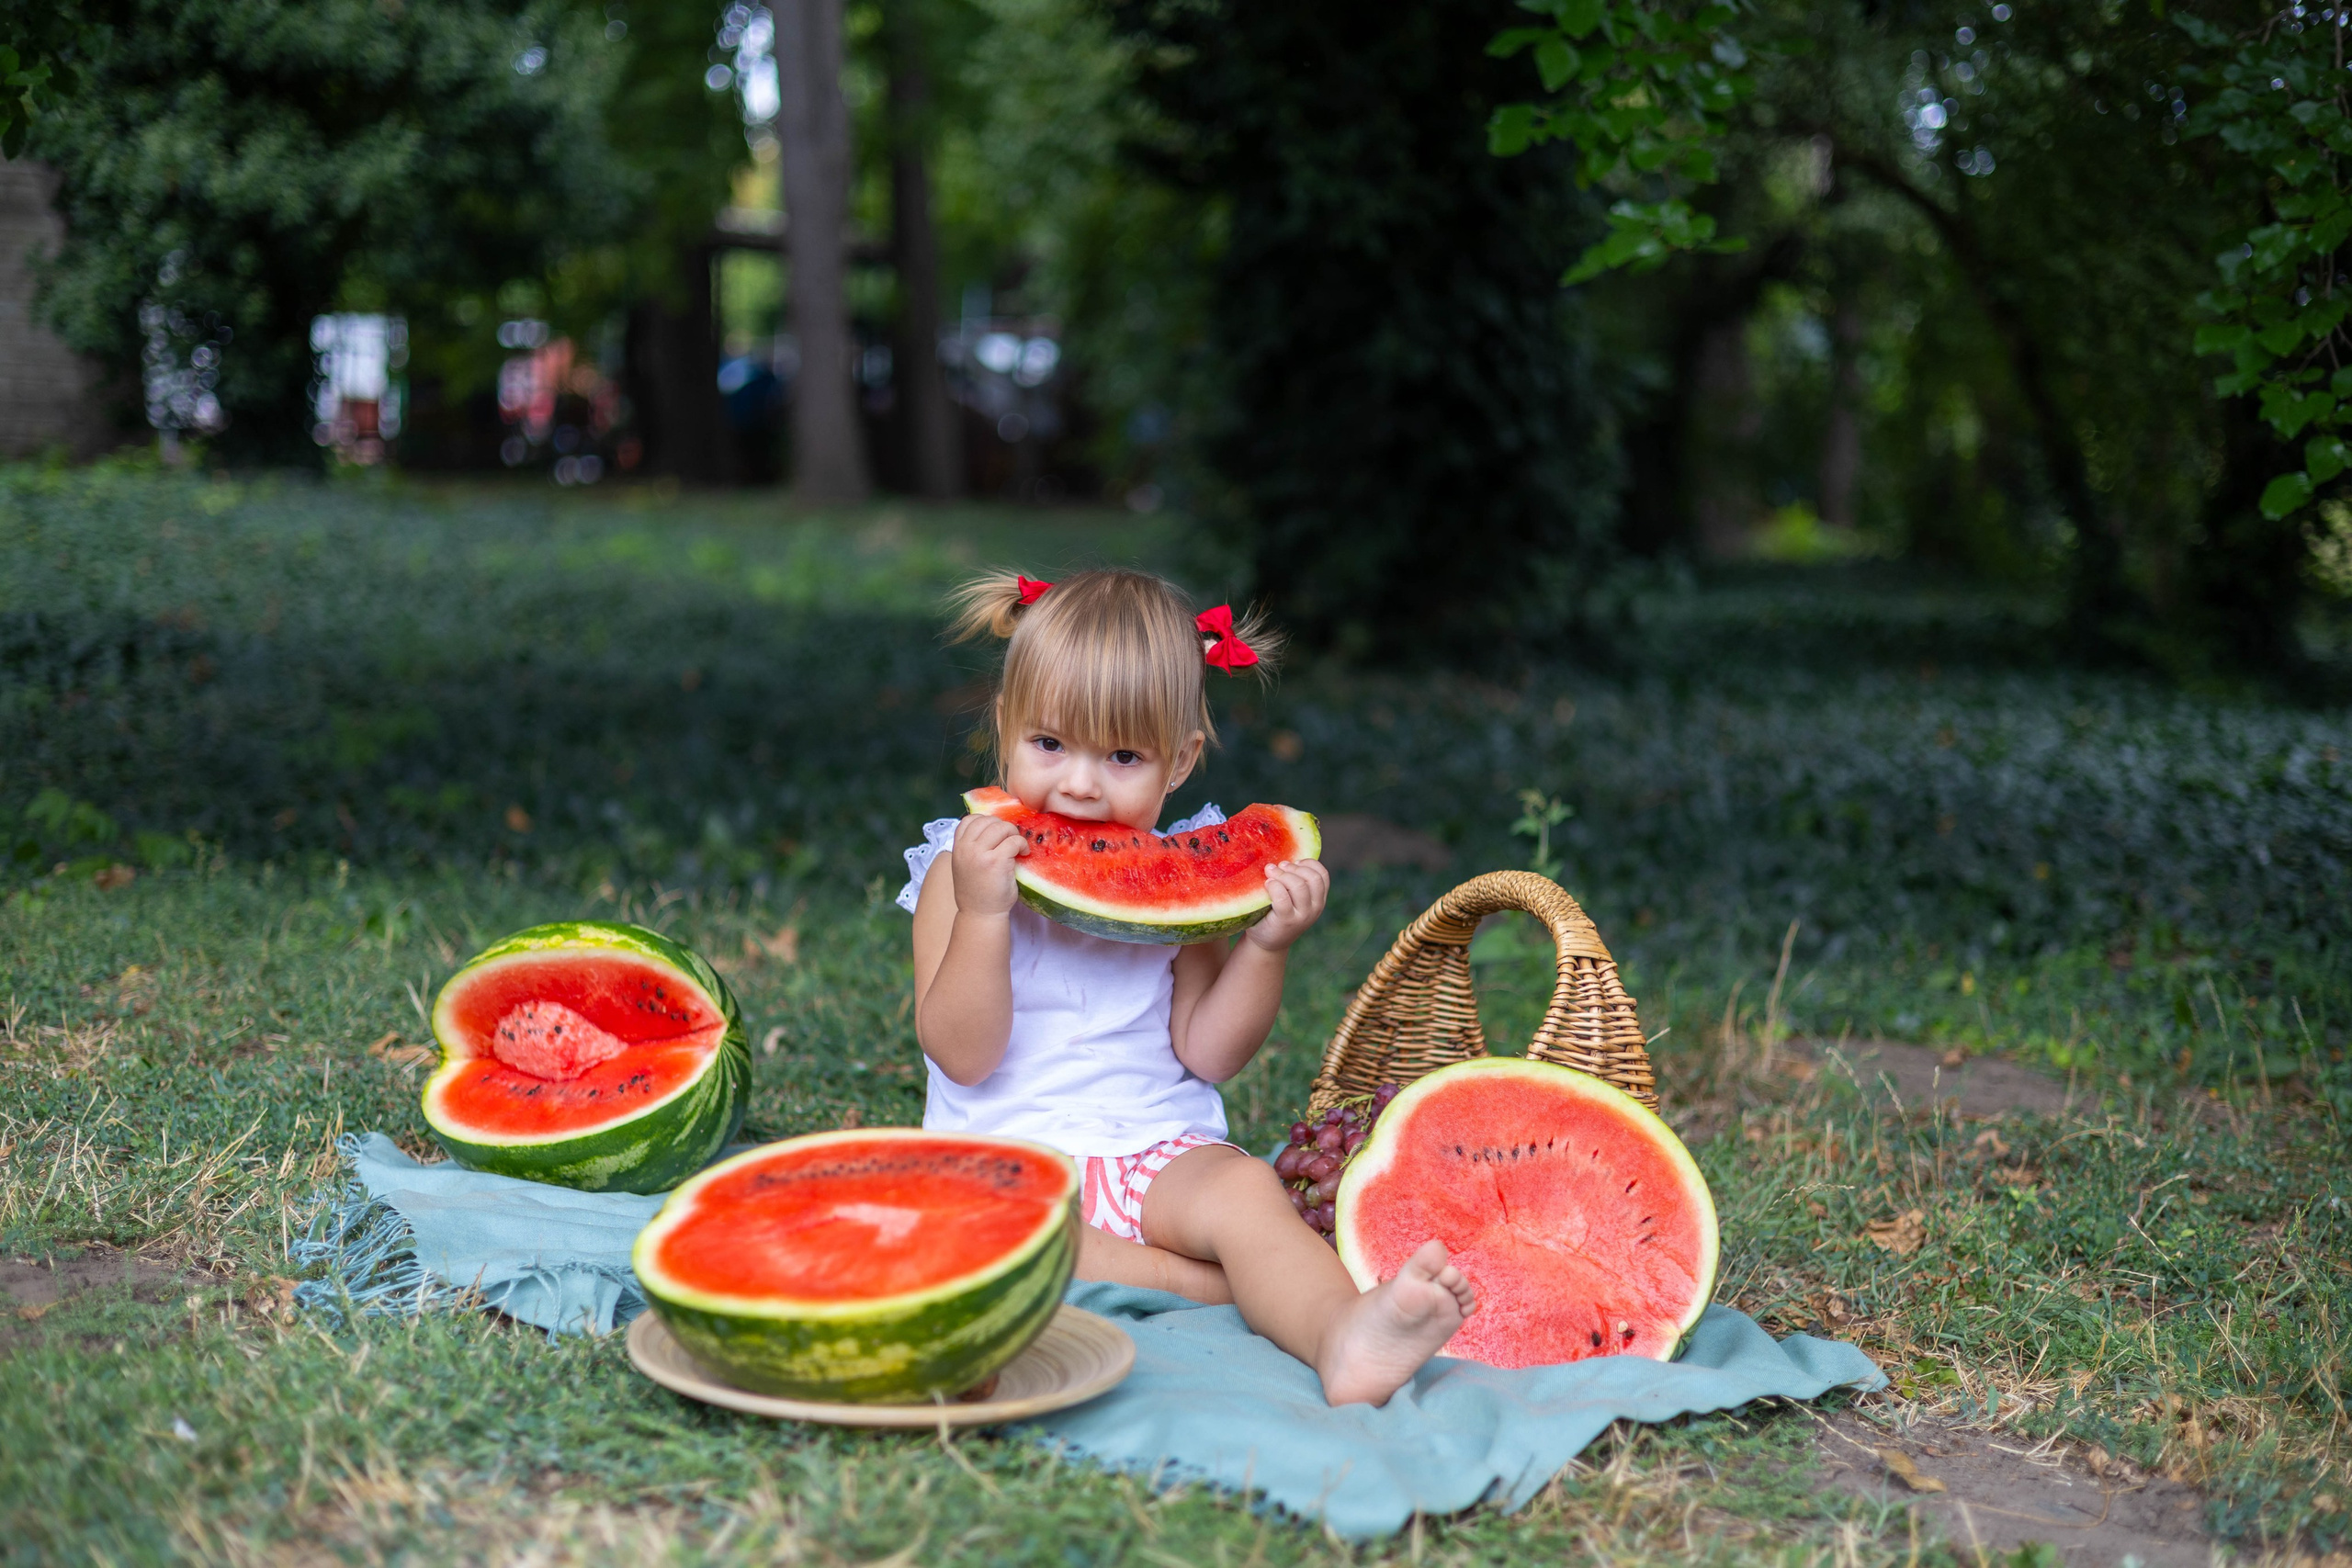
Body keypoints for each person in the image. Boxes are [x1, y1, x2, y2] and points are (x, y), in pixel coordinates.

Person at [899, 569, 1473, 1407]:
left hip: (1157, 1152)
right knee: (1007, 1237)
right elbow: (962, 1053)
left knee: (1247, 1191)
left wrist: (1265, 946)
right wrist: (986, 915)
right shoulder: (958, 870)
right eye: (1049, 744)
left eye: (1123, 756)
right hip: (1004, 1162)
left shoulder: (1184, 877)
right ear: (1004, 725)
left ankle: (1345, 1337)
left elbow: (1207, 1052)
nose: (1081, 784)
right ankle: (1217, 1285)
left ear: (1181, 761)